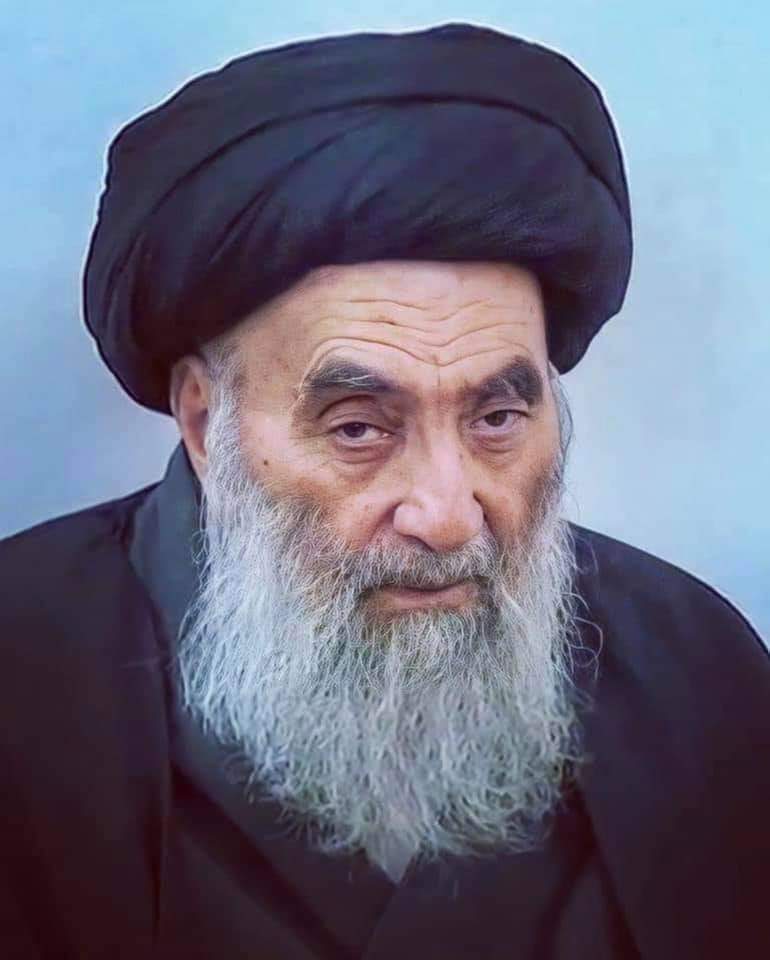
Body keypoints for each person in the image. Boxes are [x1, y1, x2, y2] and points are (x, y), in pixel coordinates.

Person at [1, 22, 768, 960]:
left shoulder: (696, 671)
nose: (446, 515)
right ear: (205, 423)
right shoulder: (21, 671)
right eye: (359, 429)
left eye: (497, 418)